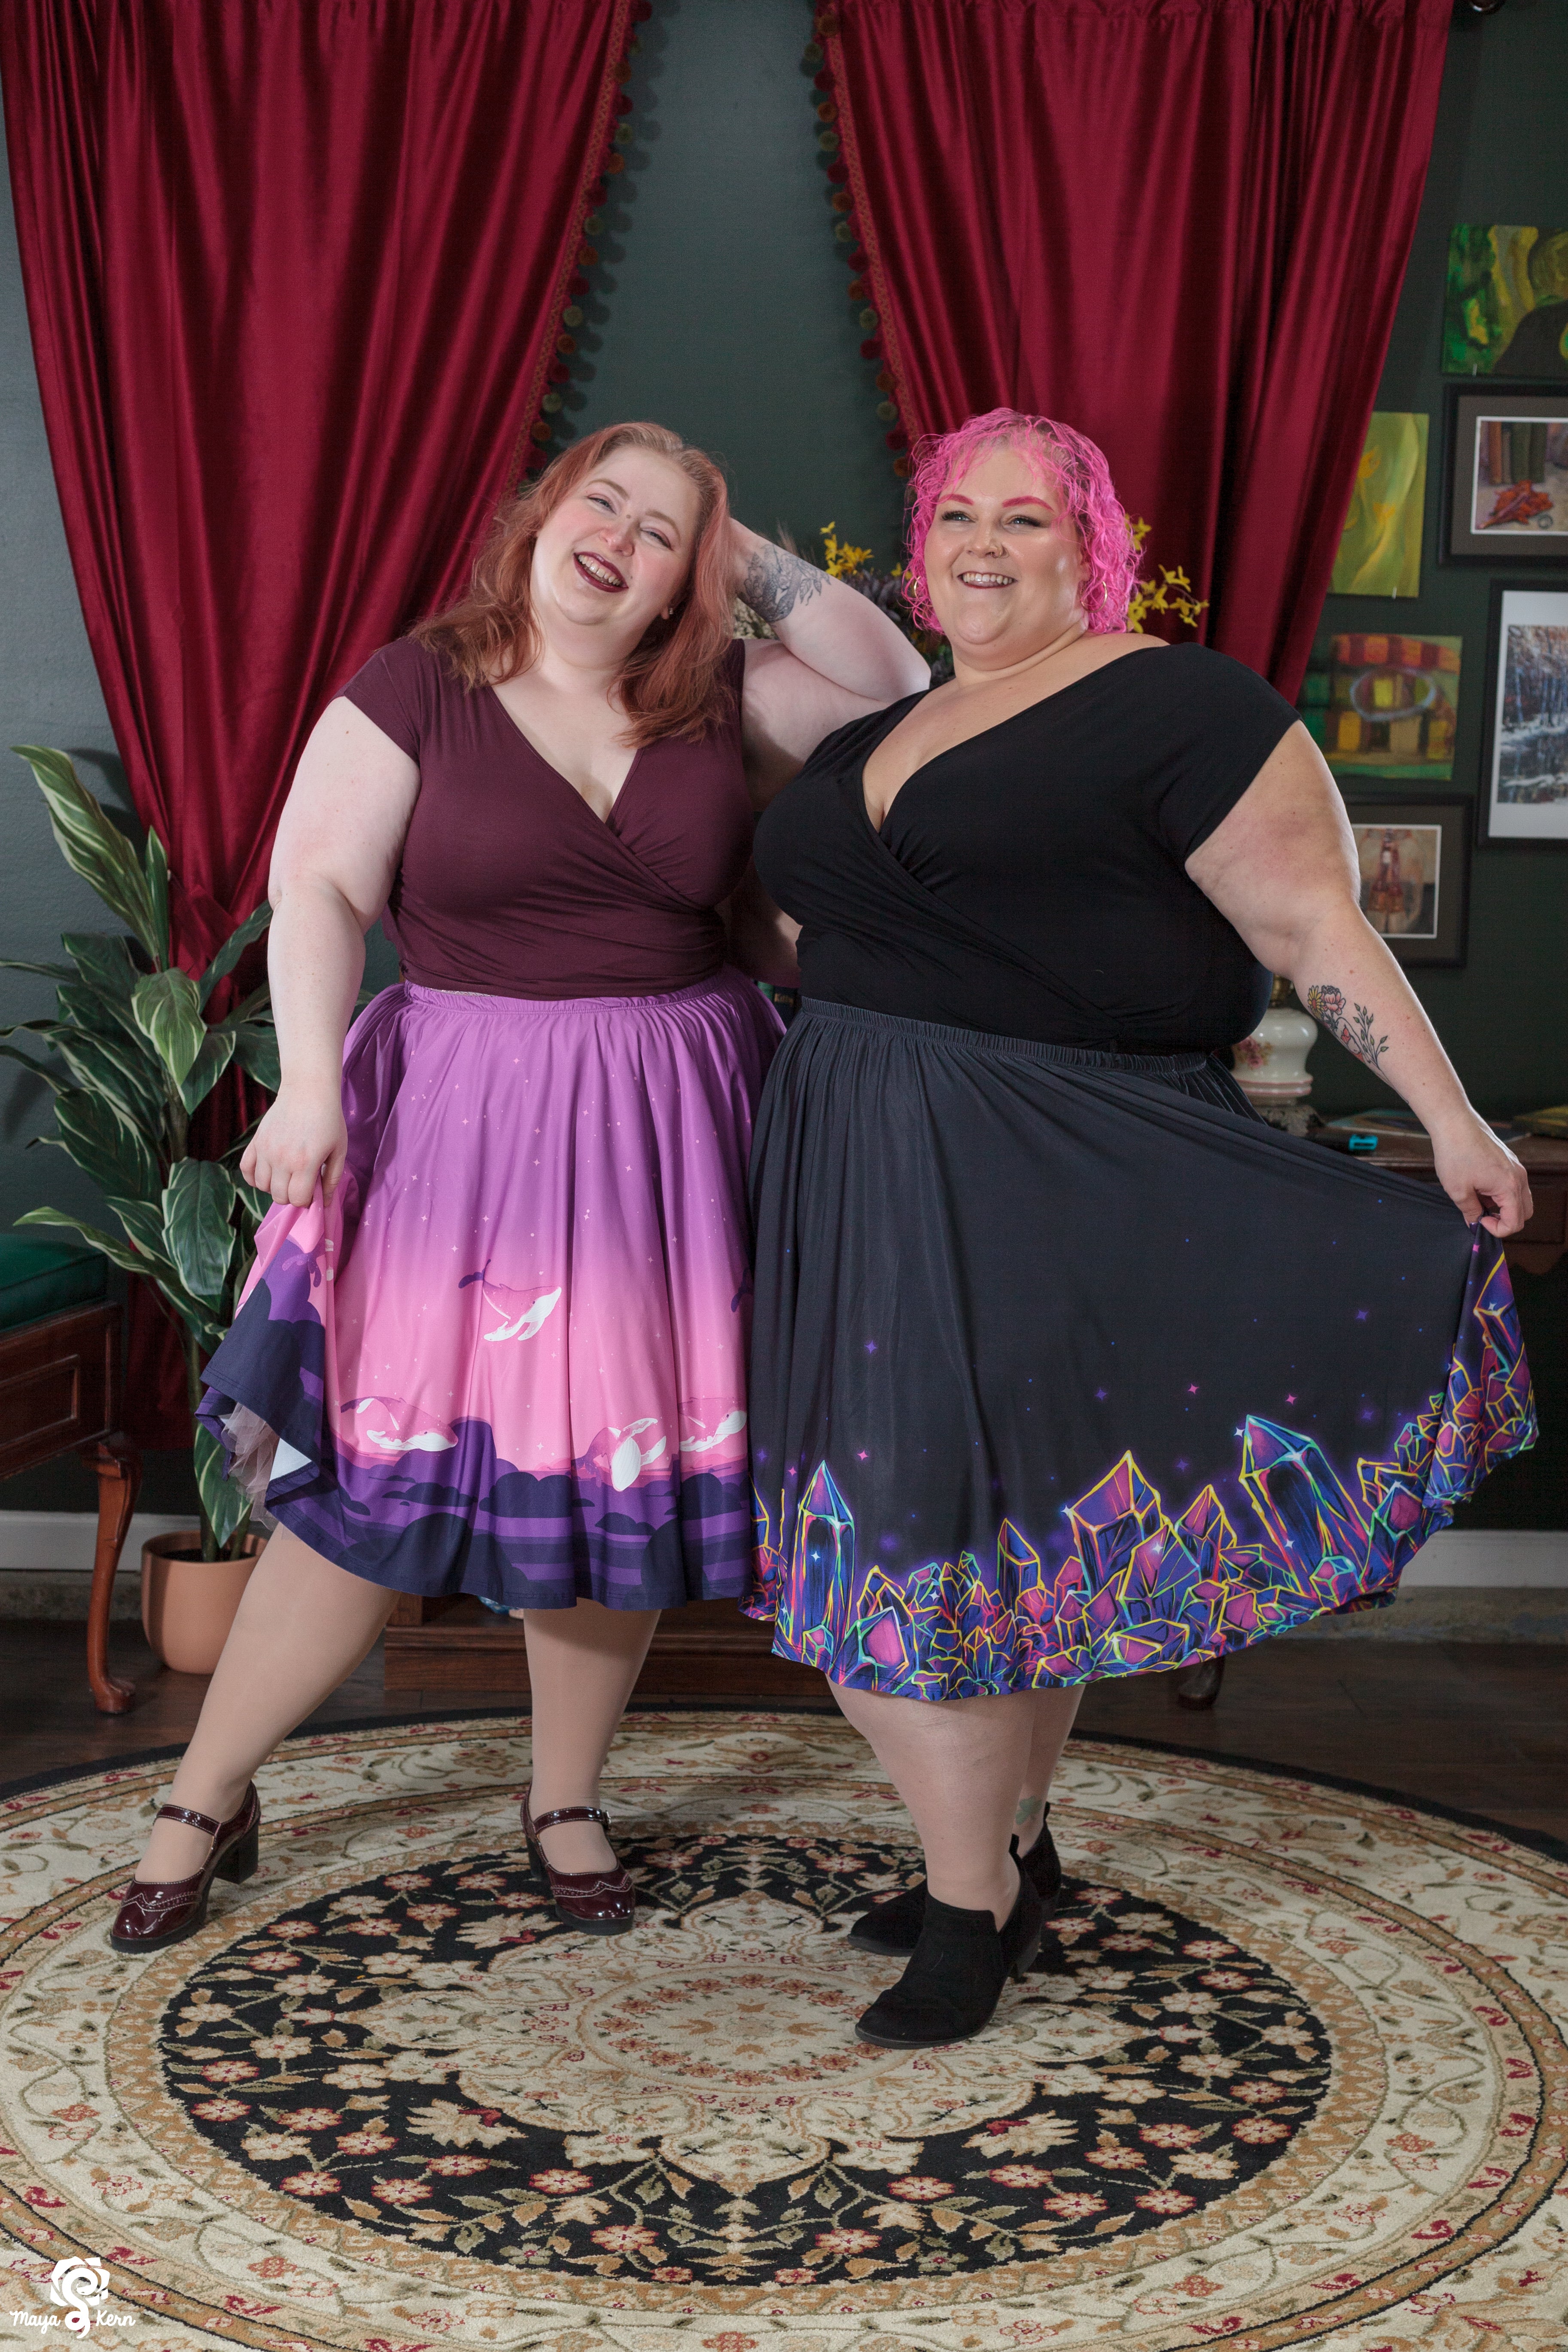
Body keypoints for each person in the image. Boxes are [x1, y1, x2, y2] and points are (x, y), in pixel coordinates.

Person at [742, 408, 1537, 2051]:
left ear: (1089, 547)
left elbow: (1310, 923)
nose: (982, 544)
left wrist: (1454, 1120)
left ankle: (966, 1910)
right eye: (954, 514)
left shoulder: (1178, 703)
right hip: (859, 1157)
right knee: (1013, 1536)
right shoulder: (886, 721)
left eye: (1024, 518)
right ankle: (1013, 1852)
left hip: (1051, 1166)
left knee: (924, 1539)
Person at [109, 421, 928, 1956]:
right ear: (543, 517)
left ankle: (564, 1799)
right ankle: (204, 1797)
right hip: (462, 1128)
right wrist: (310, 1086)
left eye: (661, 532)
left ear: (690, 577)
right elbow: (320, 885)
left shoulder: (726, 692)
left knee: (612, 1474)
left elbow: (892, 688)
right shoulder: (418, 682)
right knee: (367, 1488)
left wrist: (741, 553)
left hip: (672, 1132)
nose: (618, 538)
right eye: (599, 502)